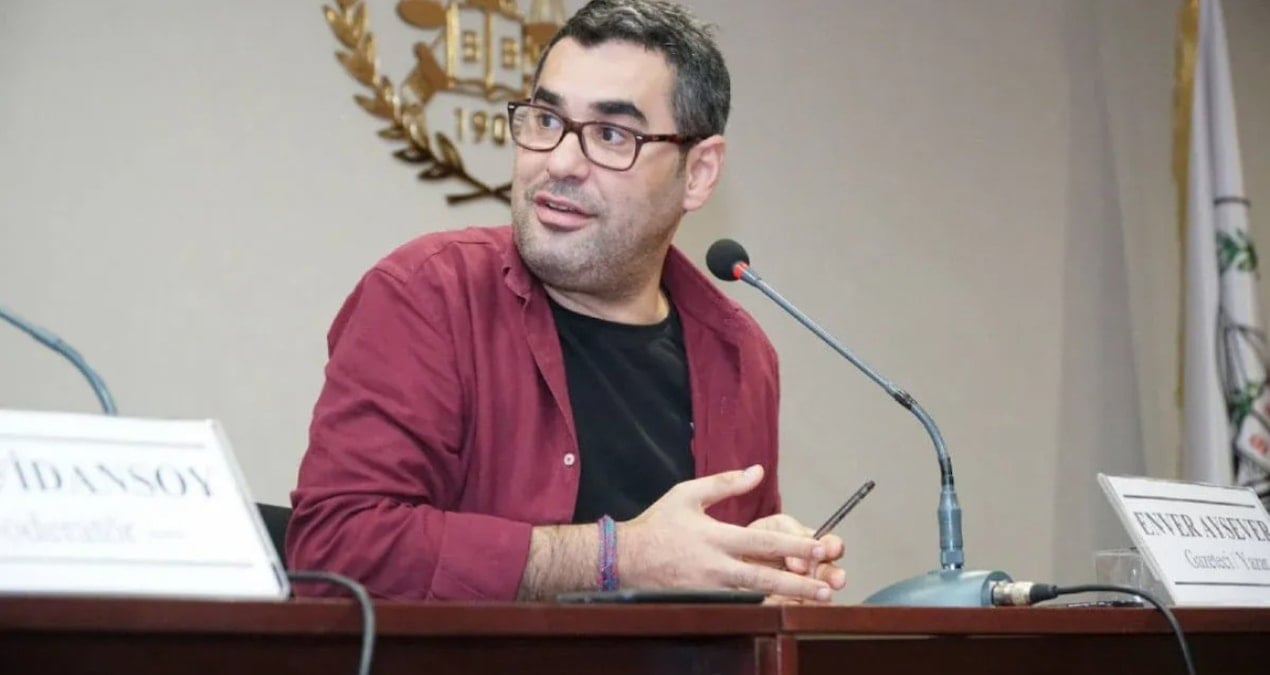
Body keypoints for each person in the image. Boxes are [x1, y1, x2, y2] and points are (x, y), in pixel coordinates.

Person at [286, 0, 847, 603]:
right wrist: (616, 557)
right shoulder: (427, 296)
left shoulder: (738, 352)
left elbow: (713, 603)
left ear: (698, 173)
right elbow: (337, 551)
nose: (559, 162)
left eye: (611, 135)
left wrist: (762, 586)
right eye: (546, 120)